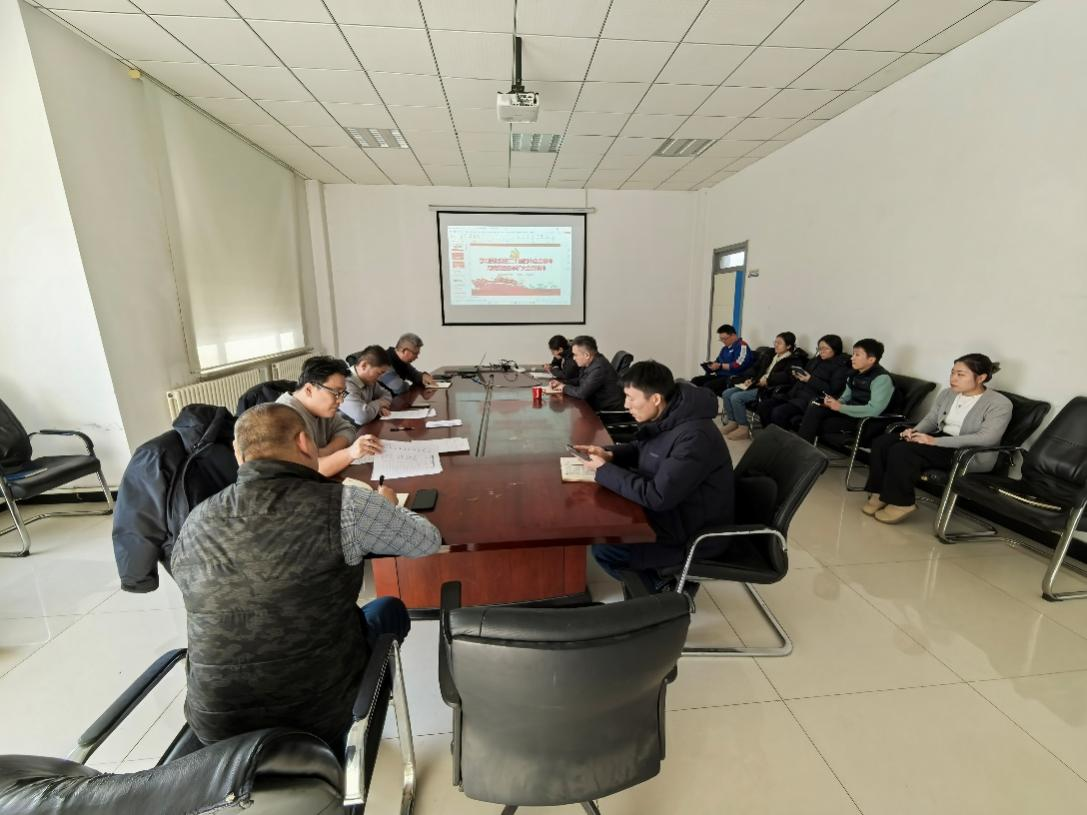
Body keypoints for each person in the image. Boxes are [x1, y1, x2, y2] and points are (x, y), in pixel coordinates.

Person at [171, 403, 441, 749]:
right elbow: (426, 541)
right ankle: (356, 730)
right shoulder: (346, 504)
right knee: (388, 609)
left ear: (238, 454)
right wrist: (389, 505)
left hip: (216, 722)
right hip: (319, 715)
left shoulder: (198, 517)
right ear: (304, 442)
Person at [580, 361, 735, 594]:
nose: (626, 405)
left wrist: (603, 471)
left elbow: (657, 496)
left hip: (692, 532)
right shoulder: (672, 415)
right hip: (677, 512)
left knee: (606, 549)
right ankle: (658, 577)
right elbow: (643, 448)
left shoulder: (694, 437)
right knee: (602, 516)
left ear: (655, 399)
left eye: (631, 398)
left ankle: (662, 589)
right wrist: (609, 455)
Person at [863, 354, 1012, 524]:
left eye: (960, 374)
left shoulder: (1000, 403)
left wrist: (934, 441)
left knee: (903, 450)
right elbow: (932, 419)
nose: (953, 378)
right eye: (952, 373)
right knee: (884, 441)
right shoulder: (948, 393)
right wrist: (914, 431)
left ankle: (901, 503)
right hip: (941, 440)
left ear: (981, 378)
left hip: (968, 453)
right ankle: (879, 493)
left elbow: (987, 438)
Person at [275, 355, 382, 476]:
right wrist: (350, 453)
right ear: (309, 390)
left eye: (342, 394)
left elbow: (348, 429)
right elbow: (311, 470)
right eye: (336, 393)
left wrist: (326, 451)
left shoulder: (321, 409)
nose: (341, 401)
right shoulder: (284, 416)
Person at [797, 338, 893, 444]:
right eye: (853, 354)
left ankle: (803, 453)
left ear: (871, 359)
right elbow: (845, 397)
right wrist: (835, 402)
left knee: (817, 423)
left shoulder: (882, 378)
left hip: (863, 420)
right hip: (848, 413)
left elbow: (874, 410)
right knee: (815, 407)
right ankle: (802, 451)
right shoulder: (853, 374)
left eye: (857, 355)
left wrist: (840, 407)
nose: (852, 358)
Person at [720, 331, 807, 440]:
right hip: (756, 383)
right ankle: (733, 422)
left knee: (736, 398)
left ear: (788, 346)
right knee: (727, 393)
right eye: (775, 342)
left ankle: (743, 428)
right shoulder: (770, 354)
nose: (775, 345)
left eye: (779, 343)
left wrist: (767, 381)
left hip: (768, 389)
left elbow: (786, 378)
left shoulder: (793, 361)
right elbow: (756, 368)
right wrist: (749, 378)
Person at [757, 334, 850, 432]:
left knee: (779, 412)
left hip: (810, 400)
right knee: (764, 406)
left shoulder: (840, 367)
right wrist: (798, 375)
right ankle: (770, 435)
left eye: (825, 348)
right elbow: (803, 377)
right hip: (794, 394)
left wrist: (810, 380)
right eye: (819, 348)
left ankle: (781, 442)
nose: (821, 351)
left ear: (835, 349)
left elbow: (832, 391)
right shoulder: (815, 360)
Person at [549, 335, 625, 412]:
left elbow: (581, 393)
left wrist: (563, 387)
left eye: (575, 355)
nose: (574, 358)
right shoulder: (593, 362)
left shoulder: (599, 368)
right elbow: (581, 380)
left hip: (609, 413)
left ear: (587, 355)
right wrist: (562, 383)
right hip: (596, 406)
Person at [690, 324, 756, 395]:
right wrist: (711, 366)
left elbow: (739, 364)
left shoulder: (742, 346)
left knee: (708, 386)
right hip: (720, 375)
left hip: (733, 377)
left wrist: (721, 366)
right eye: (721, 339)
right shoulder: (724, 349)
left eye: (725, 339)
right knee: (695, 381)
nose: (723, 341)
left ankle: (706, 405)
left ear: (733, 335)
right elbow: (718, 361)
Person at [341, 345, 393, 426]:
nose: (380, 378)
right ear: (364, 365)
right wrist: (379, 403)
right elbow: (362, 416)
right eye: (379, 373)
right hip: (348, 433)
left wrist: (378, 408)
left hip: (364, 429)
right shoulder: (344, 384)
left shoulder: (370, 381)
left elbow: (387, 394)